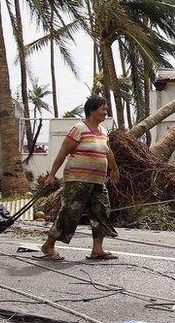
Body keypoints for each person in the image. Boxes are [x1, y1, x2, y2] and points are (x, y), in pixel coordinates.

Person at [40, 96, 120, 261]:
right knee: (70, 212)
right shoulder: (78, 128)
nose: (106, 112)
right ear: (92, 110)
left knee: (101, 212)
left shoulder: (104, 131)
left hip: (98, 181)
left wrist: (114, 169)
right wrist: (51, 175)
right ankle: (49, 245)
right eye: (103, 109)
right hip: (77, 180)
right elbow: (63, 153)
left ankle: (97, 250)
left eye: (106, 109)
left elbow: (108, 151)